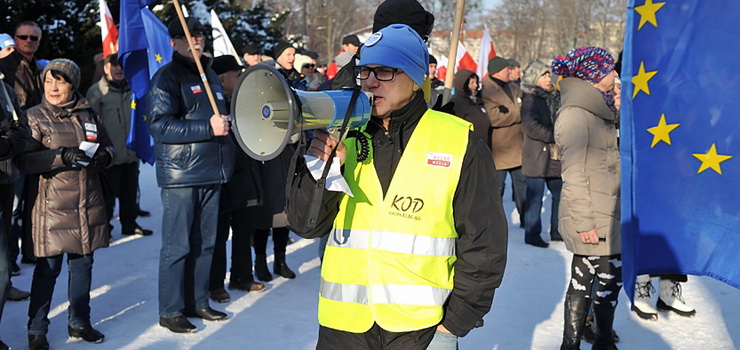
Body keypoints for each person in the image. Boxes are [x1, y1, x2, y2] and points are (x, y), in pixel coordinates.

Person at [286, 24, 508, 349]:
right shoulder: (342, 133)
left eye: (386, 71)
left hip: (420, 330)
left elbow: (484, 246)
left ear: (416, 79)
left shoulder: (460, 142)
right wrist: (323, 168)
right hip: (342, 328)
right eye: (365, 71)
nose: (371, 82)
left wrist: (454, 324)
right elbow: (306, 225)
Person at [16, 58, 114, 349]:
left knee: (83, 266)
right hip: (52, 209)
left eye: (60, 81)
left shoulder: (89, 113)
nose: (53, 87)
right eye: (48, 81)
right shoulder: (34, 116)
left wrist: (104, 157)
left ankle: (80, 322)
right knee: (47, 271)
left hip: (87, 204)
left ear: (73, 85)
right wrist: (61, 156)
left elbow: (109, 146)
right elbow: (24, 160)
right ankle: (36, 331)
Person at [147, 17, 234, 333]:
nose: (196, 40)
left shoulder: (209, 73)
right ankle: (171, 310)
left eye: (199, 35)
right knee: (178, 245)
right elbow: (159, 125)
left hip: (212, 170)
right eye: (189, 36)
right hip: (182, 174)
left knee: (206, 243)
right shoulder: (166, 78)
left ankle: (198, 300)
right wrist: (207, 128)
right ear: (174, 43)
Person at [552, 47, 621, 350]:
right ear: (593, 75)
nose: (615, 74)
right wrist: (584, 223)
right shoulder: (576, 115)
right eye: (609, 69)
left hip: (608, 210)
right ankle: (580, 344)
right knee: (592, 282)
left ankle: (598, 341)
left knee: (601, 282)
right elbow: (573, 176)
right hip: (593, 216)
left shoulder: (597, 110)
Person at [207, 55, 265, 304]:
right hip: (220, 177)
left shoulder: (245, 102)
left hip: (245, 175)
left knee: (244, 230)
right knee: (219, 235)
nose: (240, 78)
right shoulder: (209, 104)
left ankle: (242, 275)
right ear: (221, 78)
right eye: (236, 74)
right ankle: (214, 283)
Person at [86, 54, 152, 236]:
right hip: (109, 155)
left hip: (130, 152)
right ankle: (104, 228)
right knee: (106, 196)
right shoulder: (96, 92)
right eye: (114, 65)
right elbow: (91, 125)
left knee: (129, 193)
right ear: (106, 68)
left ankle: (129, 224)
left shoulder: (134, 89)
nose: (119, 68)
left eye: (121, 65)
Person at [0, 66, 31, 350]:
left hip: (7, 178)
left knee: (3, 263)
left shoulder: (6, 90)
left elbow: (22, 131)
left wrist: (8, 143)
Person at [521, 60, 562, 248]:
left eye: (548, 75)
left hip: (555, 157)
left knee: (559, 194)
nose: (548, 79)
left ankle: (557, 231)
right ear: (534, 79)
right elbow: (531, 127)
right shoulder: (530, 99)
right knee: (535, 197)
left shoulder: (555, 97)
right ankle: (532, 234)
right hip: (537, 157)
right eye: (544, 76)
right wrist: (555, 135)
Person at [481, 56, 526, 227]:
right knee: (496, 190)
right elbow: (494, 118)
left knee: (523, 189)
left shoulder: (513, 87)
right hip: (499, 151)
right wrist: (519, 113)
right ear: (498, 71)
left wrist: (510, 113)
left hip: (518, 147)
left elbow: (525, 104)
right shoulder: (487, 89)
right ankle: (492, 223)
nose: (511, 71)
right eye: (507, 69)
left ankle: (526, 220)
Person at [446, 68, 489, 146]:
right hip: (468, 147)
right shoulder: (456, 103)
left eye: (476, 82)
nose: (475, 85)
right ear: (463, 84)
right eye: (472, 82)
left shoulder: (477, 100)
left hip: (482, 145)